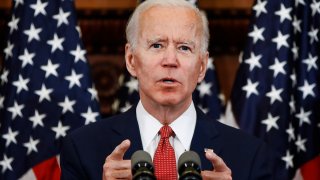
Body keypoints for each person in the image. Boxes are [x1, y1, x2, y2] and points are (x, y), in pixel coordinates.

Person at [60, 0, 274, 179]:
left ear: (201, 67)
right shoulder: (82, 149)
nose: (170, 60)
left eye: (184, 48)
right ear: (131, 59)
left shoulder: (250, 155)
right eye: (157, 45)